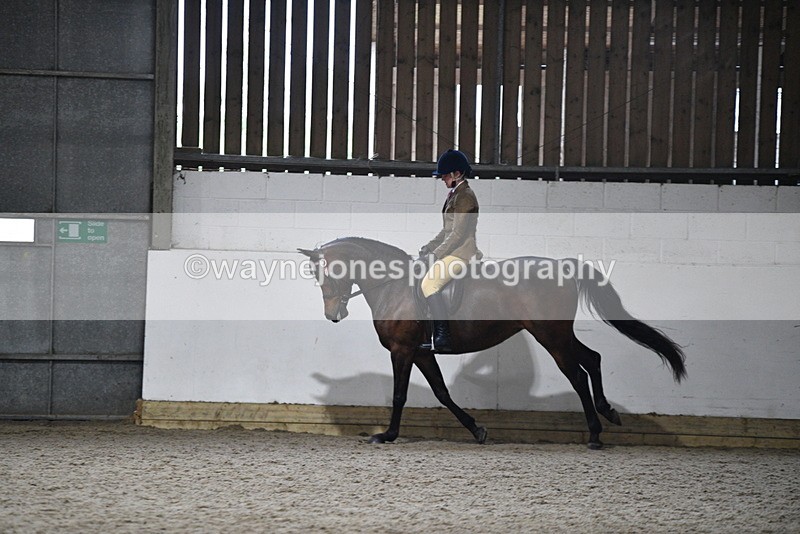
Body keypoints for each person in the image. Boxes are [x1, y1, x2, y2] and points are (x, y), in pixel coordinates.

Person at [419, 149, 482, 353]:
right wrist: (429, 247)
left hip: (461, 253)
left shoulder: (465, 197)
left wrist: (436, 255)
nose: (442, 179)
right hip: (454, 249)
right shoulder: (455, 195)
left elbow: (457, 235)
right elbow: (446, 231)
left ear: (457, 174)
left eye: (445, 175)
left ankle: (442, 337)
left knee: (429, 284)